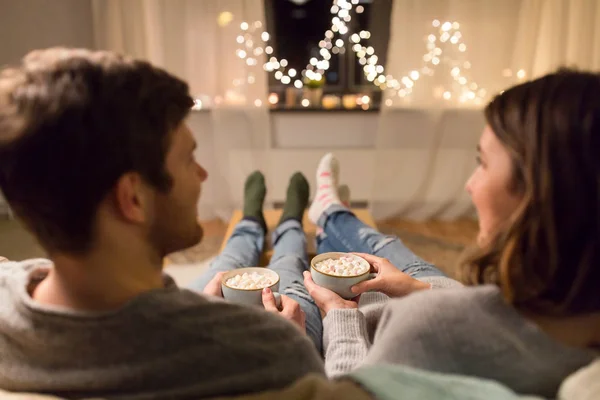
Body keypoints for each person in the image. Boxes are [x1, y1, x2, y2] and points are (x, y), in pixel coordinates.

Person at [0, 48, 324, 399]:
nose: (202, 174)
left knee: (225, 267)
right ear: (134, 198)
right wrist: (279, 334)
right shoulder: (267, 352)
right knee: (284, 273)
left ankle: (252, 221)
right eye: (188, 160)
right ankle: (286, 222)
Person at [303, 69, 600, 398]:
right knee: (386, 255)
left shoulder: (428, 328)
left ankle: (328, 214)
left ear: (539, 194)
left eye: (482, 162)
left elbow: (350, 389)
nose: (469, 185)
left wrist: (339, 316)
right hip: (441, 296)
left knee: (380, 250)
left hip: (394, 319)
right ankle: (330, 215)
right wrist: (417, 288)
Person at [189, 170, 324, 352]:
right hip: (279, 347)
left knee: (228, 262)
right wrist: (288, 340)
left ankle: (251, 221)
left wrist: (206, 313)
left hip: (201, 324)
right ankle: (290, 222)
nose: (203, 173)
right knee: (288, 263)